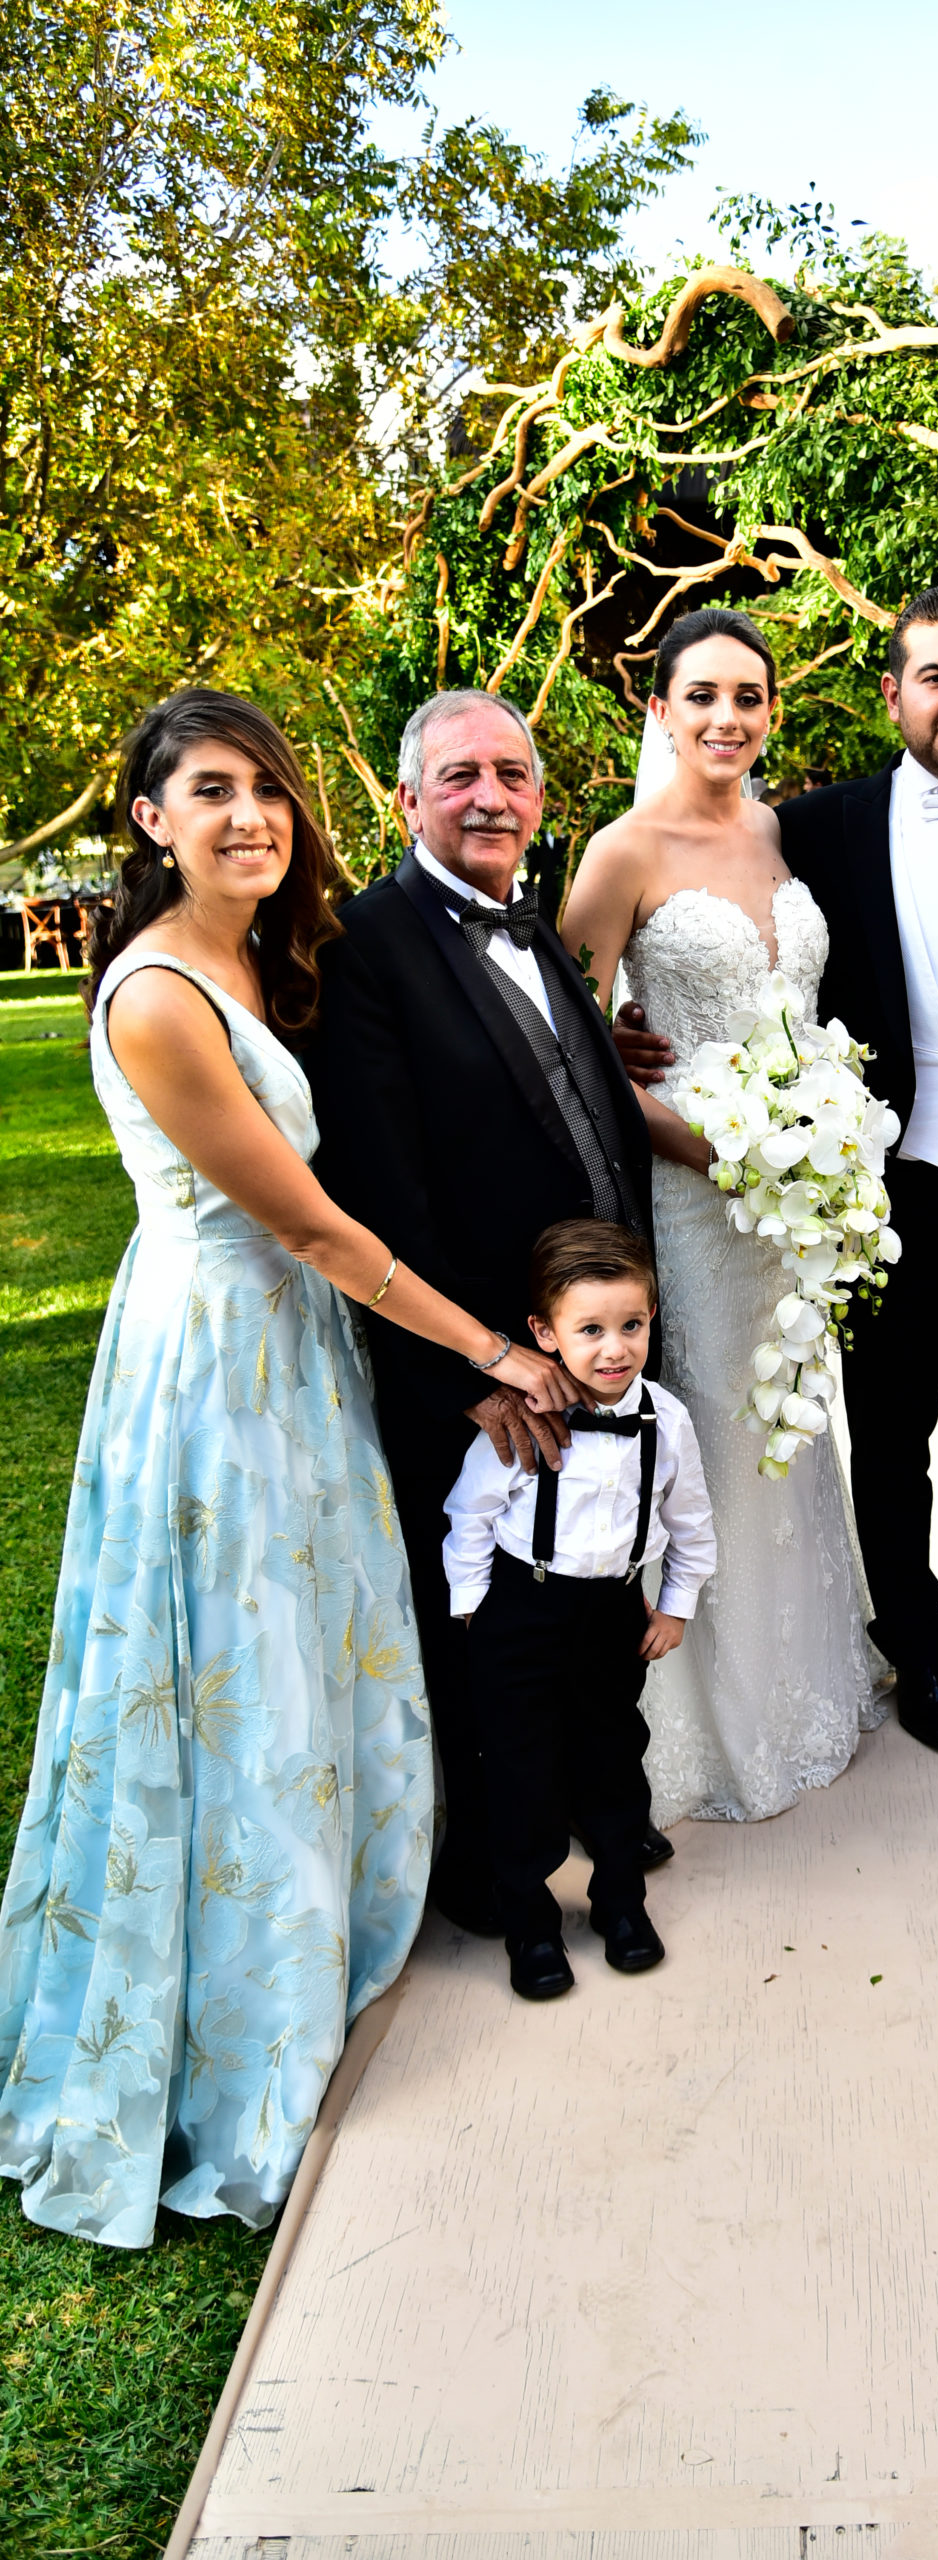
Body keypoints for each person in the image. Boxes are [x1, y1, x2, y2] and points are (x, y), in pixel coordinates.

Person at [0, 690, 570, 2247]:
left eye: (266, 789)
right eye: (209, 792)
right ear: (148, 820)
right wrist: (498, 1352)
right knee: (229, 1666)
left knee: (306, 1649)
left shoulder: (263, 957)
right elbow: (310, 1228)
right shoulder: (157, 996)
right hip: (216, 1368)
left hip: (292, 1358)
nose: (248, 816)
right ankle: (231, 2002)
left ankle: (324, 1921)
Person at [617, 586, 938, 1754]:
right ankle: (915, 1650)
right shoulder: (814, 828)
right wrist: (628, 1017)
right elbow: (724, 943)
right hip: (878, 1188)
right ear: (892, 694)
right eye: (933, 676)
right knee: (885, 1433)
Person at [304, 689, 661, 1940]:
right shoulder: (367, 944)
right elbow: (373, 1187)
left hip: (575, 1348)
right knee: (485, 1629)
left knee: (575, 1593)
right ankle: (487, 1871)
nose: (490, 797)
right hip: (476, 1362)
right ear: (407, 799)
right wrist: (470, 1374)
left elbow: (563, 1094)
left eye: (511, 773)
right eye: (459, 775)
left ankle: (584, 1811)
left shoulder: (539, 924)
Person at [560, 609, 879, 1826]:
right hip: (692, 1196)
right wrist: (694, 1141)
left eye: (747, 697)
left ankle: (805, 1683)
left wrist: (822, 1143)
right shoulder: (620, 852)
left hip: (795, 1197)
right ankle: (689, 1724)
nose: (725, 719)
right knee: (705, 1434)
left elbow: (797, 1009)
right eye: (700, 695)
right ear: (659, 708)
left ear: (768, 713)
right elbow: (576, 1047)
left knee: (788, 1429)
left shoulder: (776, 831)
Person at [444, 1221, 714, 1996]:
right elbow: (469, 1515)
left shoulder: (667, 1419)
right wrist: (471, 1608)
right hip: (521, 1615)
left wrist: (675, 1608)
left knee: (613, 1759)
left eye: (630, 1325)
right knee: (521, 1773)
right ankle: (529, 1924)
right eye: (589, 1330)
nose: (613, 1349)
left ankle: (620, 1903)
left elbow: (692, 1522)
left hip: (612, 1613)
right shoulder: (520, 1415)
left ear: (652, 1316)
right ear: (544, 1333)